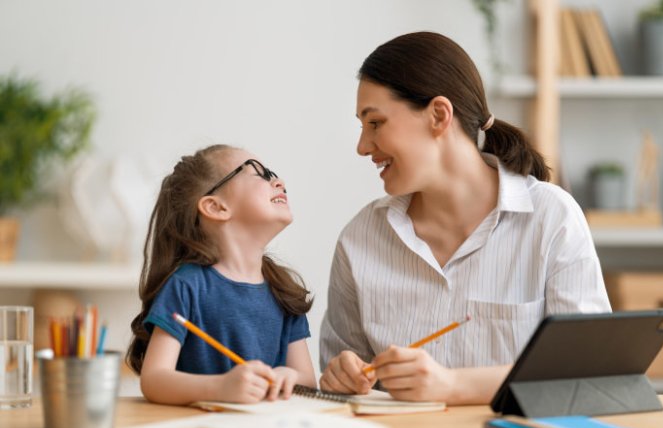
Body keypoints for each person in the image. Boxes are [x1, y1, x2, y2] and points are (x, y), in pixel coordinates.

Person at [319, 32, 611, 405]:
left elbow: (590, 372)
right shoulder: (360, 238)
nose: (362, 146)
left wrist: (454, 386)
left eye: (375, 123)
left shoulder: (552, 219)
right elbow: (338, 385)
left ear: (439, 115)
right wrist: (340, 377)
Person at [126, 144, 316, 405]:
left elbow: (307, 380)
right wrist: (220, 388)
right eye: (260, 173)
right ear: (216, 207)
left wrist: (288, 377)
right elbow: (154, 379)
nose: (278, 180)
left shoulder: (284, 289)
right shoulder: (186, 286)